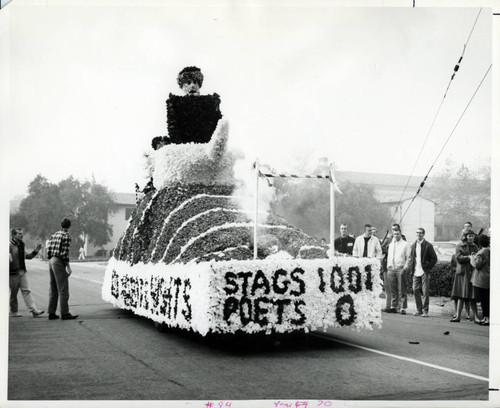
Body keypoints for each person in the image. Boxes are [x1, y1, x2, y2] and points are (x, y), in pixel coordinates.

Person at [166, 66, 223, 144]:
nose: (192, 85)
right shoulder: (175, 104)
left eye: (195, 82)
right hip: (184, 147)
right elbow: (173, 128)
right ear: (182, 86)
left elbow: (216, 125)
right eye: (188, 83)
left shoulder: (210, 102)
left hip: (206, 145)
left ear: (199, 85)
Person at [46, 218, 79, 320]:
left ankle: (51, 312)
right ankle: (65, 313)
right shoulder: (67, 236)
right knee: (63, 288)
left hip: (51, 260)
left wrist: (51, 258)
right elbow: (65, 253)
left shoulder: (54, 235)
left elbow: (49, 249)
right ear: (69, 226)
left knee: (53, 288)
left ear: (61, 225)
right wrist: (68, 267)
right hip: (59, 261)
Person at [9, 229, 45, 317]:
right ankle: (13, 311)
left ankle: (34, 310)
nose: (21, 235)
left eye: (22, 234)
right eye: (19, 234)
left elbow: (27, 256)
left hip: (22, 272)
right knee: (13, 293)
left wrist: (36, 251)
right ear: (13, 235)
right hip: (12, 273)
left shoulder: (22, 244)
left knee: (26, 291)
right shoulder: (9, 245)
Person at [450, 231, 479, 323]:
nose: (471, 238)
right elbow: (458, 258)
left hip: (472, 273)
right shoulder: (459, 246)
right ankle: (458, 316)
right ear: (465, 237)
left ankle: (476, 317)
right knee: (461, 296)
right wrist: (469, 257)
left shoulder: (475, 246)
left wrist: (474, 258)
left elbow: (477, 258)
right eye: (469, 236)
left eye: (472, 236)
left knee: (472, 296)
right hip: (462, 273)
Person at [409, 228, 438, 317]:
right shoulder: (413, 245)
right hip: (415, 271)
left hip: (425, 271)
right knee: (415, 289)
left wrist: (428, 268)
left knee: (425, 292)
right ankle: (419, 310)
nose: (419, 234)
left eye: (421, 233)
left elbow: (434, 258)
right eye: (417, 233)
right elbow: (412, 258)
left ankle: (425, 310)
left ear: (423, 234)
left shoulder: (428, 245)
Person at [386, 228, 411, 314]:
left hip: (400, 268)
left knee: (402, 289)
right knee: (393, 289)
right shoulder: (391, 244)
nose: (396, 235)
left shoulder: (405, 244)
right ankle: (394, 306)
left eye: (397, 234)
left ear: (400, 234)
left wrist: (405, 268)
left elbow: (409, 257)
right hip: (391, 269)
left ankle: (403, 307)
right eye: (394, 234)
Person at [471, 234, 490, 326]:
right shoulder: (490, 250)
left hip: (481, 279)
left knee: (483, 300)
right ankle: (487, 317)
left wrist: (472, 259)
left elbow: (478, 266)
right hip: (489, 277)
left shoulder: (481, 252)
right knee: (487, 299)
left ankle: (486, 318)